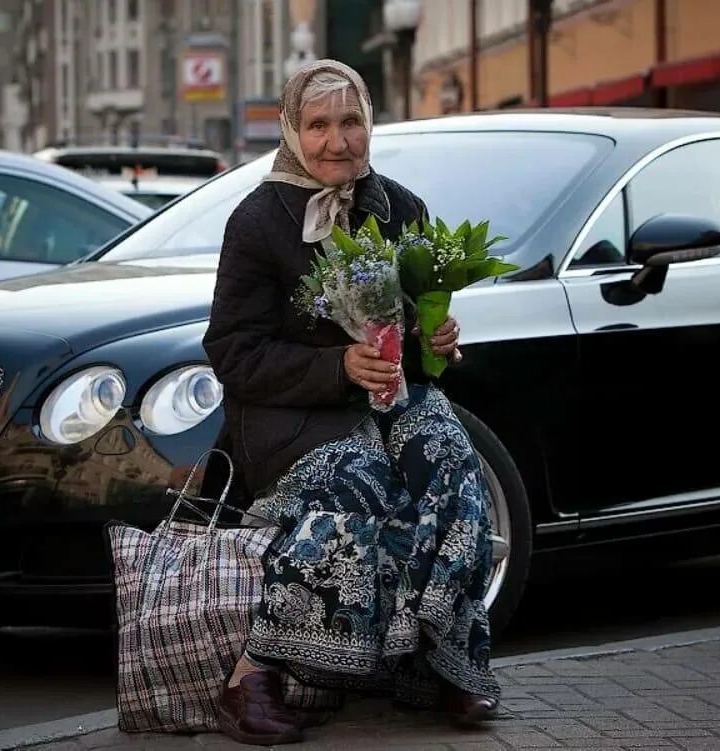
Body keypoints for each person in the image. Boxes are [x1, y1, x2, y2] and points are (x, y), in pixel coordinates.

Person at [202, 59, 501, 746]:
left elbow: (417, 348)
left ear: (369, 123)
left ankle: (446, 660)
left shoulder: (401, 208)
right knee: (356, 479)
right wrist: (337, 366)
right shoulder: (257, 220)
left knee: (455, 463)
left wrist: (437, 341)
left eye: (350, 122)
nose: (337, 141)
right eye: (318, 124)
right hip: (292, 416)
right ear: (291, 130)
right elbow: (233, 354)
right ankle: (252, 676)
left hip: (389, 399)